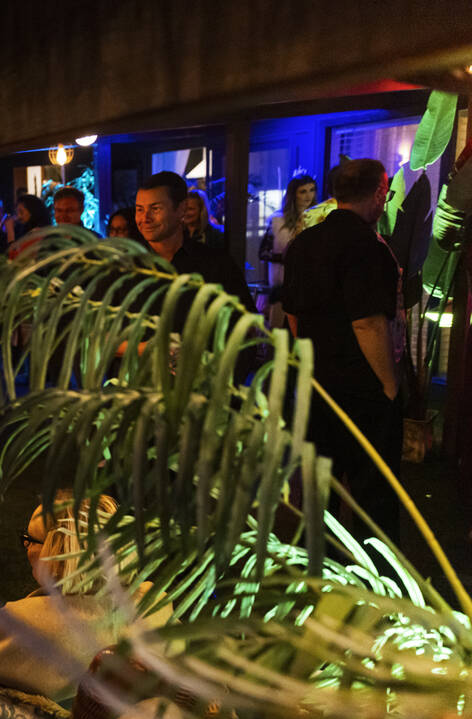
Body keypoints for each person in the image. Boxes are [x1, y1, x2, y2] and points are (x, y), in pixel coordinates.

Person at [0, 496, 162, 707]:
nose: (26, 547)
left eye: (29, 540)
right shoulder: (157, 604)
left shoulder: (22, 622)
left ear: (59, 551)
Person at [282, 159, 402, 545]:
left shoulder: (304, 242)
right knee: (373, 496)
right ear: (379, 193)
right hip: (362, 387)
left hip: (318, 384)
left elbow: (293, 314)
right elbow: (368, 323)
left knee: (320, 490)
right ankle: (379, 582)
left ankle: (318, 579)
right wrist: (389, 386)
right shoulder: (368, 246)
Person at [135, 172, 256, 313]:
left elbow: (247, 324)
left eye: (155, 209)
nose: (145, 218)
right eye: (139, 209)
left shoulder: (216, 265)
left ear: (181, 209)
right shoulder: (124, 266)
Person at [261, 174, 317, 328]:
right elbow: (263, 252)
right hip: (282, 283)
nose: (308, 196)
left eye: (312, 190)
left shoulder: (321, 219)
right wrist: (288, 257)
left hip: (310, 284)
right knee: (280, 329)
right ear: (294, 194)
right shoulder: (277, 220)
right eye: (303, 191)